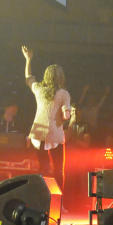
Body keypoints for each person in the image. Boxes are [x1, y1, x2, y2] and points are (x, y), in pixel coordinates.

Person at [22, 45, 71, 192]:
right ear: (61, 77)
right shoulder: (63, 93)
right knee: (58, 170)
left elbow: (28, 78)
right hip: (55, 134)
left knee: (42, 169)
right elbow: (66, 116)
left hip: (38, 134)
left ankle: (41, 200)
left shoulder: (39, 90)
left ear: (46, 76)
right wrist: (67, 116)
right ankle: (57, 202)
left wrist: (28, 59)